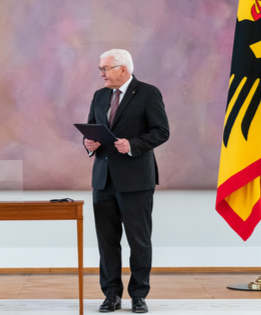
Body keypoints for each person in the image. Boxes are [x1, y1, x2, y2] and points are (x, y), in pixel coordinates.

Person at [83, 49, 169, 313]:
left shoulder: (147, 92)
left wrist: (133, 144)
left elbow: (161, 131)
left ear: (123, 68)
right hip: (103, 181)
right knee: (107, 241)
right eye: (101, 68)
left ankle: (139, 295)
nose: (101, 74)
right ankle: (111, 295)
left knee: (138, 240)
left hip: (136, 181)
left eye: (105, 68)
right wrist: (88, 144)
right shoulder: (99, 96)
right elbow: (90, 129)